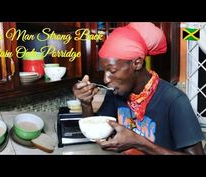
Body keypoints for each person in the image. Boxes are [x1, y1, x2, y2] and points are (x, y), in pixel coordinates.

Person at [73, 22, 205, 155]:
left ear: (137, 63)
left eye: (112, 71)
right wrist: (86, 103)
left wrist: (140, 143)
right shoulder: (116, 93)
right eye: (104, 71)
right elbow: (98, 132)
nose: (106, 79)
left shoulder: (174, 100)